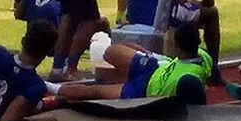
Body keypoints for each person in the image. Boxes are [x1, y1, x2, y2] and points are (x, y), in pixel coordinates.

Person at [54, 23, 210, 105]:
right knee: (110, 52)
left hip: (143, 89)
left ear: (177, 47)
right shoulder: (204, 57)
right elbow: (216, 76)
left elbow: (197, 114)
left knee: (95, 92)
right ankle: (119, 78)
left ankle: (49, 87)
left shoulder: (189, 81)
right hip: (152, 67)